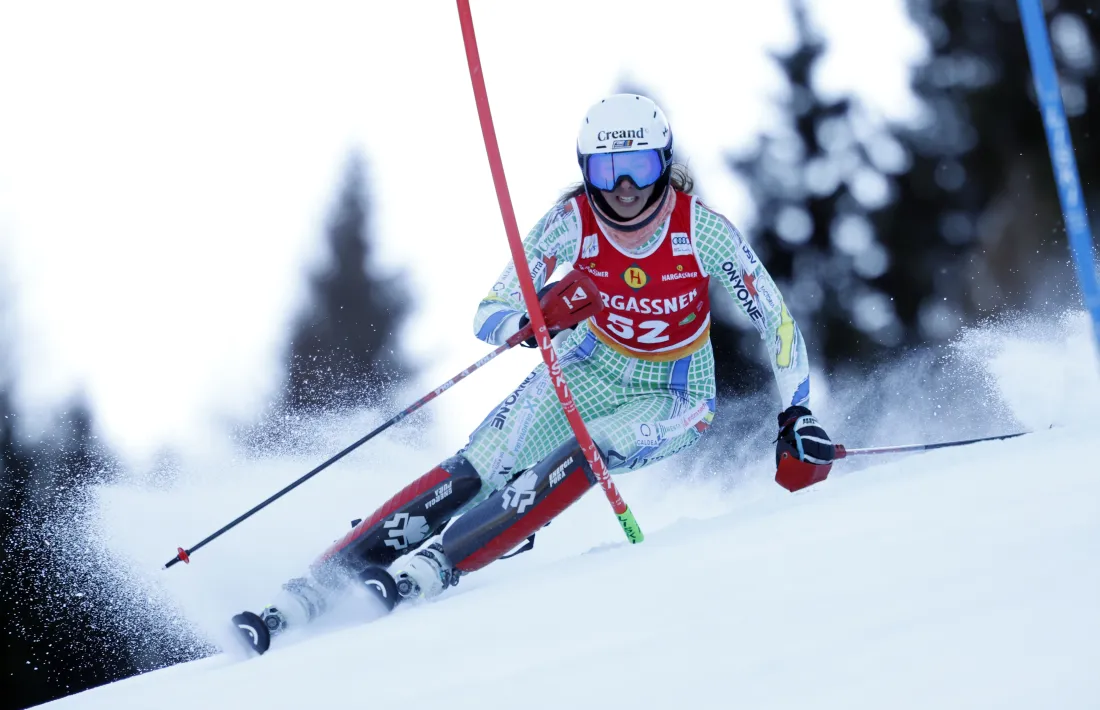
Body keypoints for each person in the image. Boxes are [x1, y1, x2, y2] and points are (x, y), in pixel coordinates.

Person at [238, 94, 835, 652]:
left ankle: (441, 563)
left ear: (665, 165)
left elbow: (776, 322)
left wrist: (796, 412)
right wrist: (534, 318)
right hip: (588, 364)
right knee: (480, 466)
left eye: (639, 169)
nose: (624, 189)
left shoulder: (702, 230)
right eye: (607, 173)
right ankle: (321, 582)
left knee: (591, 449)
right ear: (586, 173)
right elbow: (490, 313)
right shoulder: (571, 221)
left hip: (674, 392)